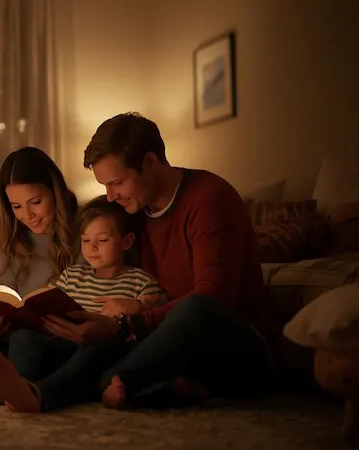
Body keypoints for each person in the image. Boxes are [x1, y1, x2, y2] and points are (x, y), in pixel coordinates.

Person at [28, 112, 273, 410]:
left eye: (117, 182)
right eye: (105, 185)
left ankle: (116, 381)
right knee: (107, 334)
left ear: (150, 162)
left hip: (234, 345)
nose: (110, 196)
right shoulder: (134, 212)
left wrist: (131, 321)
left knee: (177, 313)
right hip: (168, 341)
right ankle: (42, 393)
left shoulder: (209, 198)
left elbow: (214, 297)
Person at [0, 196, 167, 412]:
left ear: (126, 241)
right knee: (24, 337)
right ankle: (18, 387)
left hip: (100, 351)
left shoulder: (140, 281)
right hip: (62, 344)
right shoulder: (73, 275)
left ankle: (41, 392)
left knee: (97, 350)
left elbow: (156, 319)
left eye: (103, 240)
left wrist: (140, 306)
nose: (93, 248)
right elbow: (51, 300)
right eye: (86, 240)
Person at [0, 146, 80, 390]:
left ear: (55, 192)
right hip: (16, 339)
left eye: (35, 202)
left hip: (65, 340)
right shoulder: (6, 237)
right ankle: (20, 382)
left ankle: (16, 387)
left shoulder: (85, 231)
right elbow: (2, 297)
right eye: (17, 206)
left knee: (36, 346)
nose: (28, 215)